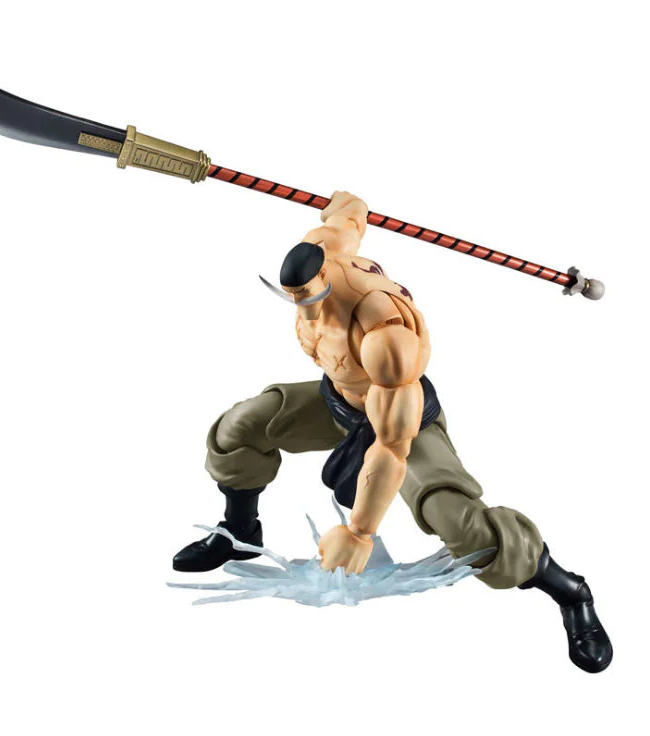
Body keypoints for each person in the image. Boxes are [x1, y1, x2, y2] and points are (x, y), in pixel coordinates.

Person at [173, 191, 612, 673]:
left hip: (402, 420)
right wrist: (345, 204)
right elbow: (348, 210)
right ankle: (239, 530)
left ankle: (571, 592)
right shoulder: (326, 246)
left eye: (312, 300)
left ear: (327, 282)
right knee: (241, 426)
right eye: (296, 300)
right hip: (339, 402)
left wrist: (359, 533)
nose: (307, 313)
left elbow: (390, 447)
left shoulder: (382, 329)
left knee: (460, 524)